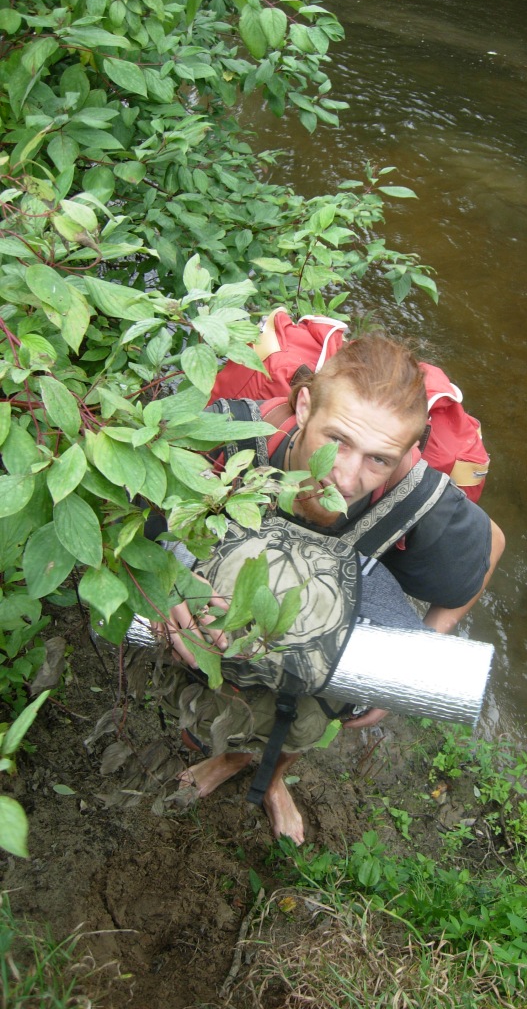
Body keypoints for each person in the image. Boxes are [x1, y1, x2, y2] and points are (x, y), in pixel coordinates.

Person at [155, 333, 505, 843]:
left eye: (378, 459)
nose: (344, 476)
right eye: (336, 439)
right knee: (220, 698)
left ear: (405, 454)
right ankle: (227, 752)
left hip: (325, 638)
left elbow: (491, 547)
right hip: (225, 624)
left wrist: (409, 660)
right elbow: (138, 516)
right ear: (303, 406)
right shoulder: (227, 436)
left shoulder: (414, 496)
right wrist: (168, 583)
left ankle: (266, 775)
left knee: (302, 720)